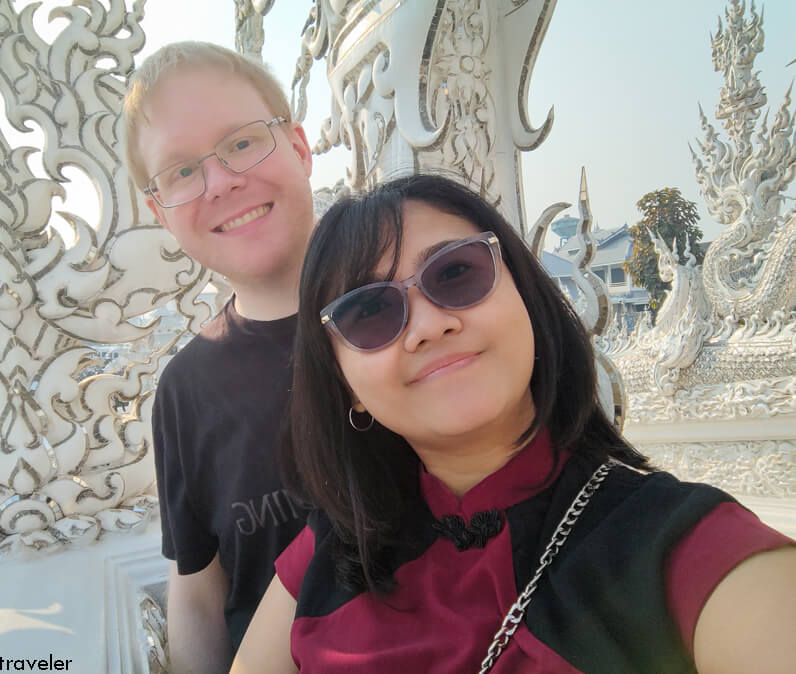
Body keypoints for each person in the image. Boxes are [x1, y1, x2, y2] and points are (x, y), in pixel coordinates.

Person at [231, 174, 795, 673]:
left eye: (455, 273)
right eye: (371, 312)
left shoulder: (680, 550)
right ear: (345, 387)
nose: (428, 325)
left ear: (526, 297)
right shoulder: (331, 547)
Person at [121, 42, 315, 672]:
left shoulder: (413, 312)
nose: (221, 181)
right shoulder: (186, 391)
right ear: (159, 212)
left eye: (241, 142)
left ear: (300, 147)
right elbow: (199, 590)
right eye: (181, 171)